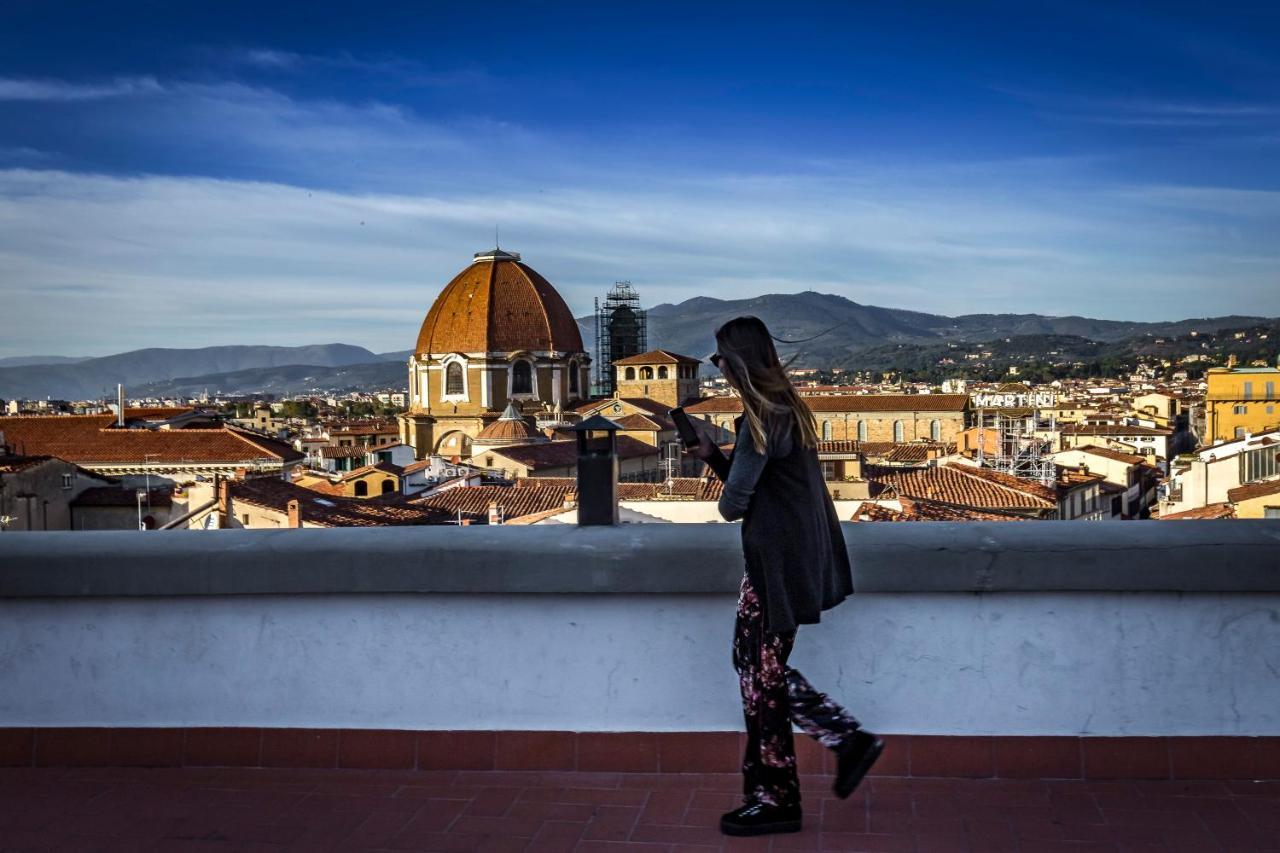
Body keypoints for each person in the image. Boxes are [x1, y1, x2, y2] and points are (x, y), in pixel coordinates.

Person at [689, 315, 883, 837]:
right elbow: (759, 489)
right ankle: (842, 741)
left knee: (759, 678)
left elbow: (734, 506)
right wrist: (713, 456)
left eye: (719, 359)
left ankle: (776, 796)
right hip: (790, 560)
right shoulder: (786, 413)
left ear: (737, 363)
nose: (718, 368)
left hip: (774, 566)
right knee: (754, 665)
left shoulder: (758, 422)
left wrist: (722, 463)